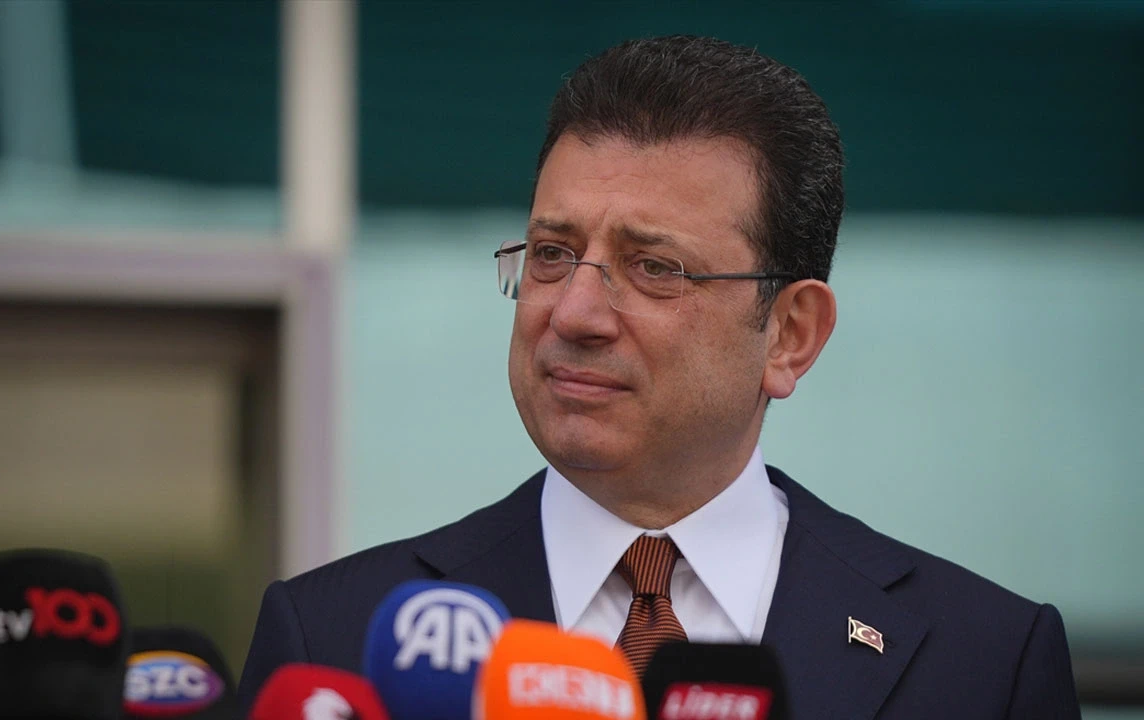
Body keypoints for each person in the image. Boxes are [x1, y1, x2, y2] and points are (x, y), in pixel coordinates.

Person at [238, 36, 1080, 718]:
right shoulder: (335, 645)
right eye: (552, 253)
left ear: (790, 335)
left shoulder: (984, 662)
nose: (574, 313)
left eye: (653, 268)